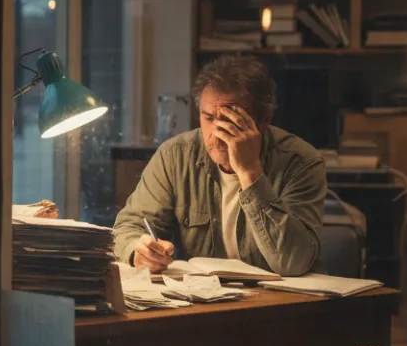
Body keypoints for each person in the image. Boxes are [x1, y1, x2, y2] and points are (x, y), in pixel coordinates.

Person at [113, 54, 326, 277]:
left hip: (281, 304)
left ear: (264, 120)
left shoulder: (301, 162)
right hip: (201, 301)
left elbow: (292, 262)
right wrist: (139, 251)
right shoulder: (175, 156)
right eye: (208, 118)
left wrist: (250, 171)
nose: (217, 132)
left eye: (231, 120)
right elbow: (127, 228)